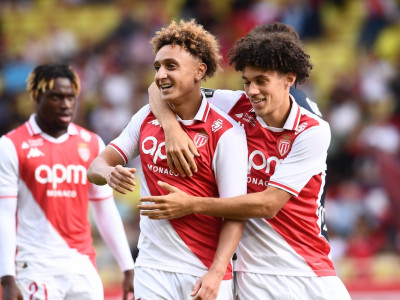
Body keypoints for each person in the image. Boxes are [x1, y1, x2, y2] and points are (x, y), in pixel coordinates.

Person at [139, 30, 351, 299]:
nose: (252, 91)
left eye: (261, 81)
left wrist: (192, 203)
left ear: (289, 79)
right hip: (254, 278)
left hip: (310, 270)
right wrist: (171, 128)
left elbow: (268, 204)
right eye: (246, 81)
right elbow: (160, 88)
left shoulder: (312, 131)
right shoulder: (233, 105)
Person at [87, 19, 248, 300]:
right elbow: (95, 167)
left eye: (171, 66)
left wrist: (217, 272)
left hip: (202, 270)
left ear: (200, 71)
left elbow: (236, 213)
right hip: (151, 268)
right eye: (157, 67)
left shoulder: (225, 133)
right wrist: (109, 173)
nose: (160, 74)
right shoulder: (145, 117)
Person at [0, 64, 135, 300]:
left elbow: (105, 209)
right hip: (34, 266)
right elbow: (4, 214)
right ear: (37, 96)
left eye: (71, 97)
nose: (66, 104)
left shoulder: (92, 143)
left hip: (82, 265)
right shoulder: (11, 145)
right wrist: (6, 277)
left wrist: (127, 266)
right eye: (56, 97)